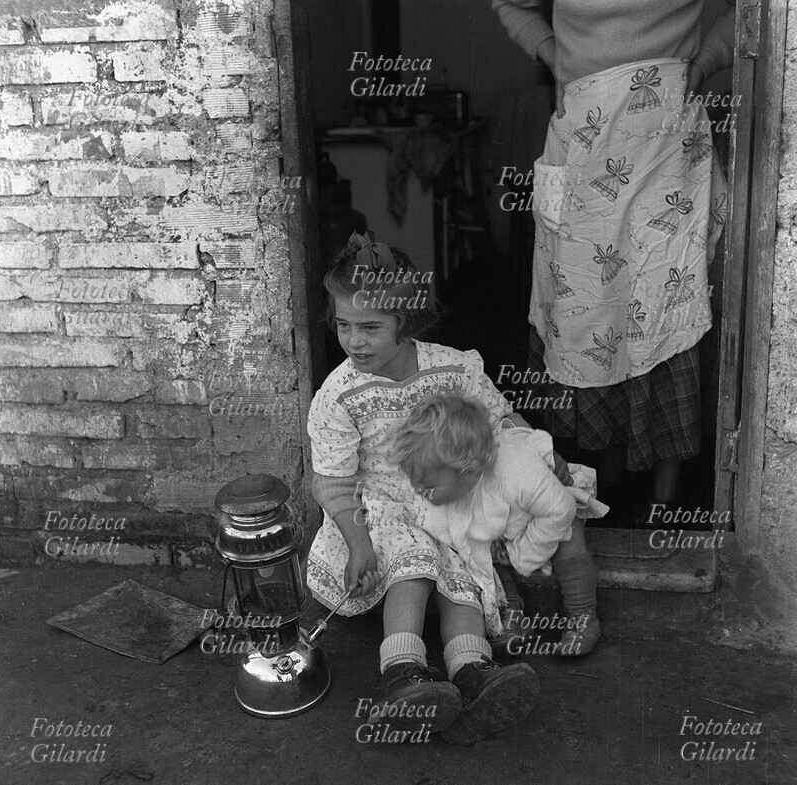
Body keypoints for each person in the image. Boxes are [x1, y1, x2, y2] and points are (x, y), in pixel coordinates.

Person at [491, 0, 735, 523]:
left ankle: (667, 501)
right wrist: (552, 53)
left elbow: (756, 9)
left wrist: (706, 61)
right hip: (585, 134)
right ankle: (611, 480)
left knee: (666, 299)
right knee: (592, 307)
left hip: (664, 136)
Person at [307, 231, 542, 744]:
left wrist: (542, 455)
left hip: (446, 498)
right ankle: (405, 672)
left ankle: (472, 672)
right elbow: (333, 480)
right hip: (381, 505)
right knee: (410, 565)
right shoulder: (340, 394)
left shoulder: (453, 369)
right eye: (344, 325)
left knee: (461, 572)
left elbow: (500, 419)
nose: (354, 341)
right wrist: (357, 541)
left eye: (370, 327)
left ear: (404, 321)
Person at [392, 393, 607, 664]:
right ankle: (508, 608)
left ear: (468, 471)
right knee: (479, 549)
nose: (419, 489)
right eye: (415, 480)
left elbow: (561, 509)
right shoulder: (442, 479)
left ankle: (582, 615)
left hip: (547, 511)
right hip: (501, 520)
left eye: (428, 485)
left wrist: (525, 553)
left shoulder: (518, 470)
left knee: (570, 543)